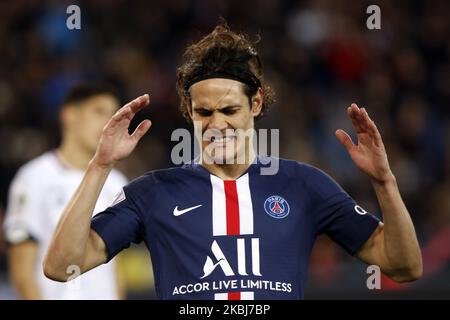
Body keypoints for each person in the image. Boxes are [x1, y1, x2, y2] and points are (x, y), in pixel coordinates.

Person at [43, 23, 422, 300]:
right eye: (204, 112)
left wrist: (385, 182)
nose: (216, 124)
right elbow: (61, 266)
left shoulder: (305, 185)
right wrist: (99, 166)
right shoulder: (152, 193)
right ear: (189, 111)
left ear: (255, 104)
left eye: (229, 109)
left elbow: (405, 267)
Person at [4, 83, 127, 299]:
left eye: (112, 115)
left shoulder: (117, 183)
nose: (108, 123)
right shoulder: (33, 178)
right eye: (99, 111)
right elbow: (22, 274)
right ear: (69, 115)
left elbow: (116, 267)